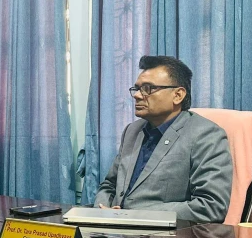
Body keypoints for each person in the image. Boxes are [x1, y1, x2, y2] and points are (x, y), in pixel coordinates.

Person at [94, 55, 232, 223]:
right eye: (136, 88)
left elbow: (211, 206)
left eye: (148, 88)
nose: (137, 95)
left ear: (178, 95)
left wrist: (133, 215)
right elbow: (109, 185)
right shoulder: (132, 131)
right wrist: (102, 210)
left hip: (169, 236)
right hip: (114, 230)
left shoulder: (205, 134)